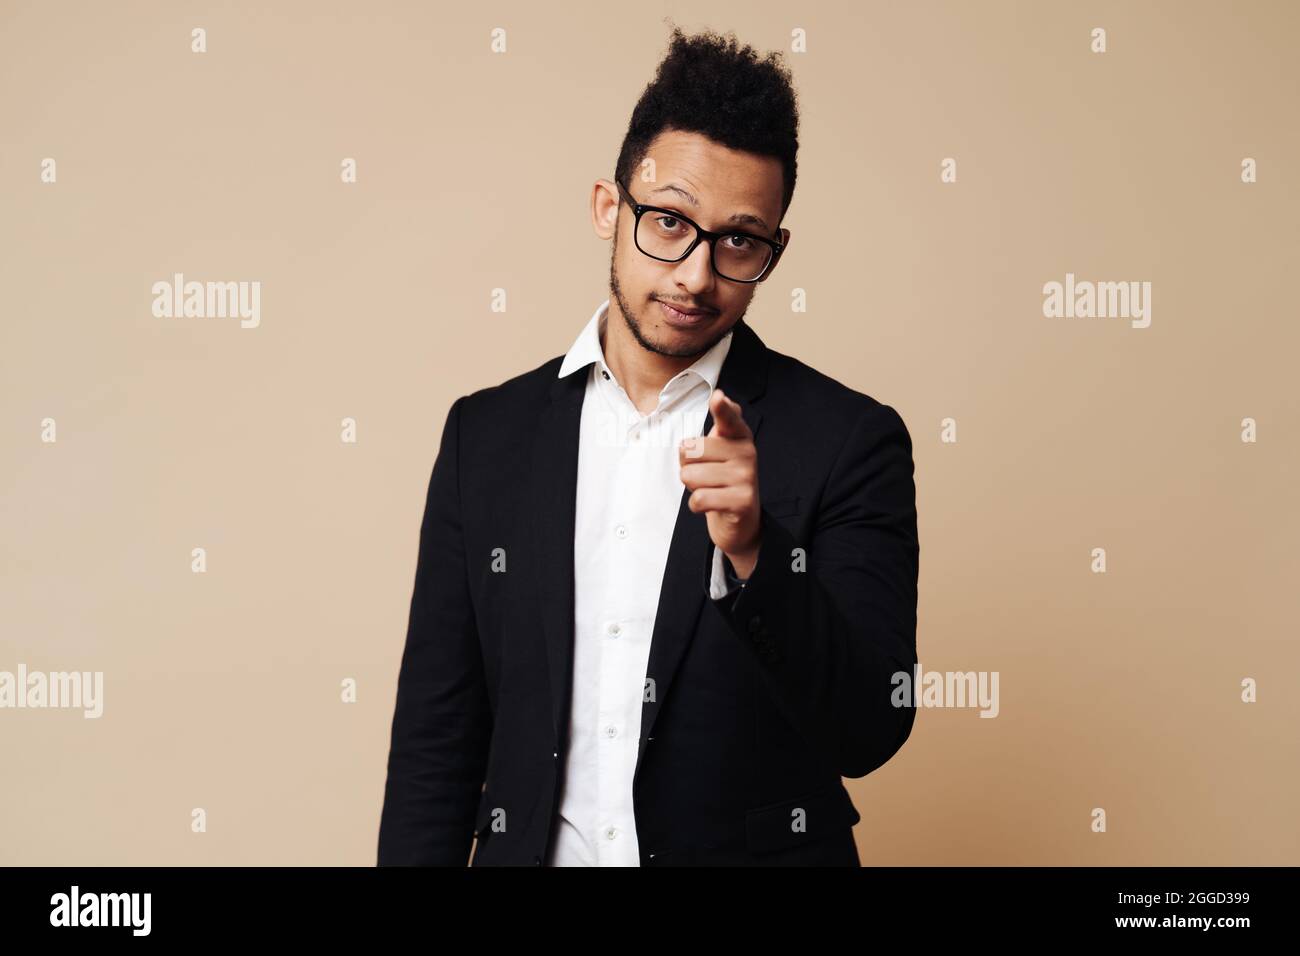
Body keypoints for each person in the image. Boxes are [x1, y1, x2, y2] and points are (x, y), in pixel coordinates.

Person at [377, 25, 918, 867]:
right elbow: (436, 740)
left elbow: (871, 728)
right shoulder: (484, 439)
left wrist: (756, 555)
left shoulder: (849, 440)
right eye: (668, 222)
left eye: (740, 240)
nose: (697, 275)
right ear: (608, 207)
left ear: (775, 248)